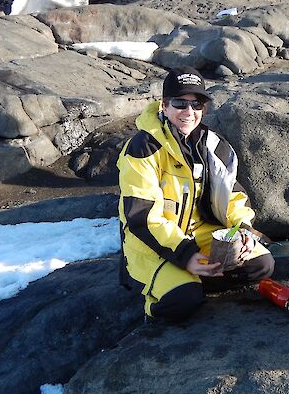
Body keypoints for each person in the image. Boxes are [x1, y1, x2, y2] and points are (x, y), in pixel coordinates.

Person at [117, 66, 275, 322]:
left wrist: (242, 231)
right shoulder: (142, 148)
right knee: (184, 300)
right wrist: (185, 255)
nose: (189, 112)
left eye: (197, 104)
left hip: (198, 235)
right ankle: (157, 303)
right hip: (150, 245)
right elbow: (141, 216)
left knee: (262, 264)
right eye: (180, 103)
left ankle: (196, 277)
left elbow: (234, 195)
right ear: (164, 106)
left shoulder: (211, 144)